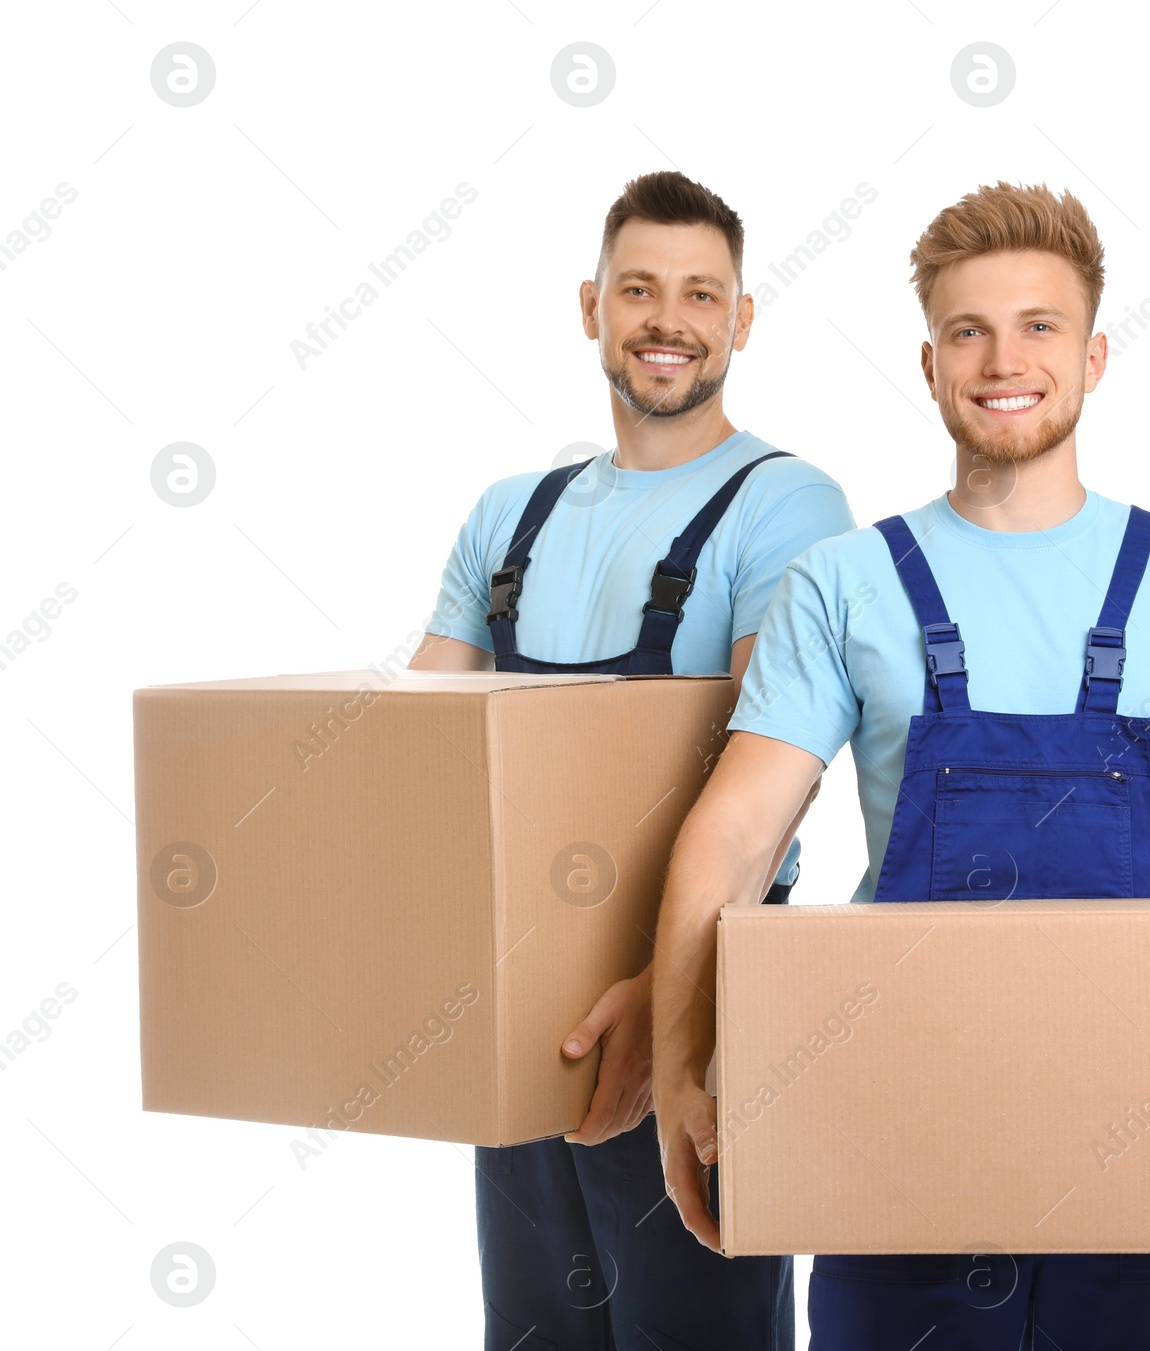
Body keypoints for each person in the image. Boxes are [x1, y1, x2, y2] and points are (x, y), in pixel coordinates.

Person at [650, 180, 1150, 1350]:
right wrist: (682, 1067)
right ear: (928, 366)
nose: (1001, 358)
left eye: (1038, 325)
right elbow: (732, 836)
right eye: (966, 330)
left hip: (1146, 1150)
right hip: (893, 1141)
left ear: (1094, 357)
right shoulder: (843, 583)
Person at [411, 170, 855, 1351]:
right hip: (514, 1018)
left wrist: (675, 1016)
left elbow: (776, 775)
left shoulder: (788, 508)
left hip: (698, 1008)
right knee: (532, 1333)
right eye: (641, 289)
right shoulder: (509, 515)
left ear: (741, 320)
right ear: (591, 306)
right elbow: (415, 754)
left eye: (701, 294)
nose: (670, 319)